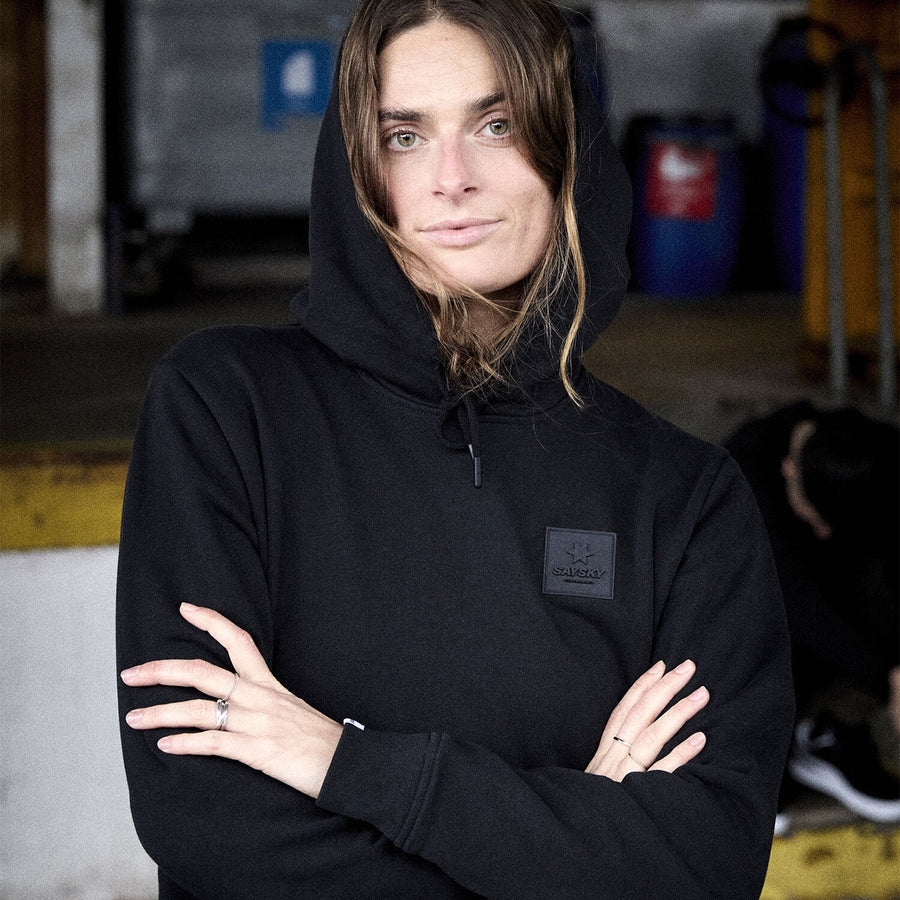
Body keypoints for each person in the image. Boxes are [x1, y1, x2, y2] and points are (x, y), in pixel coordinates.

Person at [116, 1, 794, 897]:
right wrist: (569, 846)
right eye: (404, 136)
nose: (451, 179)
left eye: (496, 125)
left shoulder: (682, 494)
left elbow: (708, 862)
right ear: (356, 168)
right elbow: (204, 819)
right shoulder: (225, 408)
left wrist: (347, 765)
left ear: (567, 147)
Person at [725, 402, 899, 824]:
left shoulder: (874, 449)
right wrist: (891, 675)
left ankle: (830, 728)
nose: (822, 530)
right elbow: (803, 611)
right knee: (750, 620)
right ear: (788, 469)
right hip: (771, 606)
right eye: (817, 518)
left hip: (833, 595)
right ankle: (755, 765)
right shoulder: (740, 479)